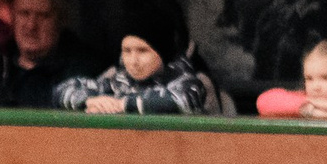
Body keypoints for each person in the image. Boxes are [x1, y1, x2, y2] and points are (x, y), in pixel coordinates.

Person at [52, 16, 220, 115]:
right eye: (127, 51)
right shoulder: (118, 81)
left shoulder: (190, 82)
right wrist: (90, 100)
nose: (133, 60)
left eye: (142, 51)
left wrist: (121, 105)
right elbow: (62, 90)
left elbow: (179, 101)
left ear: (163, 52)